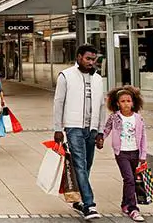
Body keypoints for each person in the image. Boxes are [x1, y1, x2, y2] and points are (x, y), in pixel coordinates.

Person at [53, 44, 106, 220]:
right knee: (80, 165)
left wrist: (100, 131)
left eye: (94, 60)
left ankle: (78, 199)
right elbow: (58, 103)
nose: (91, 62)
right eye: (88, 59)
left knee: (87, 165)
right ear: (79, 57)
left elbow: (101, 106)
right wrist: (57, 128)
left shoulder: (98, 79)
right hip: (73, 126)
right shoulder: (66, 76)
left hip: (91, 128)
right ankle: (89, 205)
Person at [101, 86, 148, 222]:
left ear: (133, 102)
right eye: (123, 101)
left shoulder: (138, 118)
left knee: (130, 179)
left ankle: (124, 204)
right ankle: (133, 209)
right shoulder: (115, 117)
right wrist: (100, 139)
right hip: (121, 153)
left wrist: (143, 155)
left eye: (128, 101)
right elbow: (106, 130)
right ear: (117, 103)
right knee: (129, 179)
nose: (126, 104)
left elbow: (143, 137)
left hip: (135, 152)